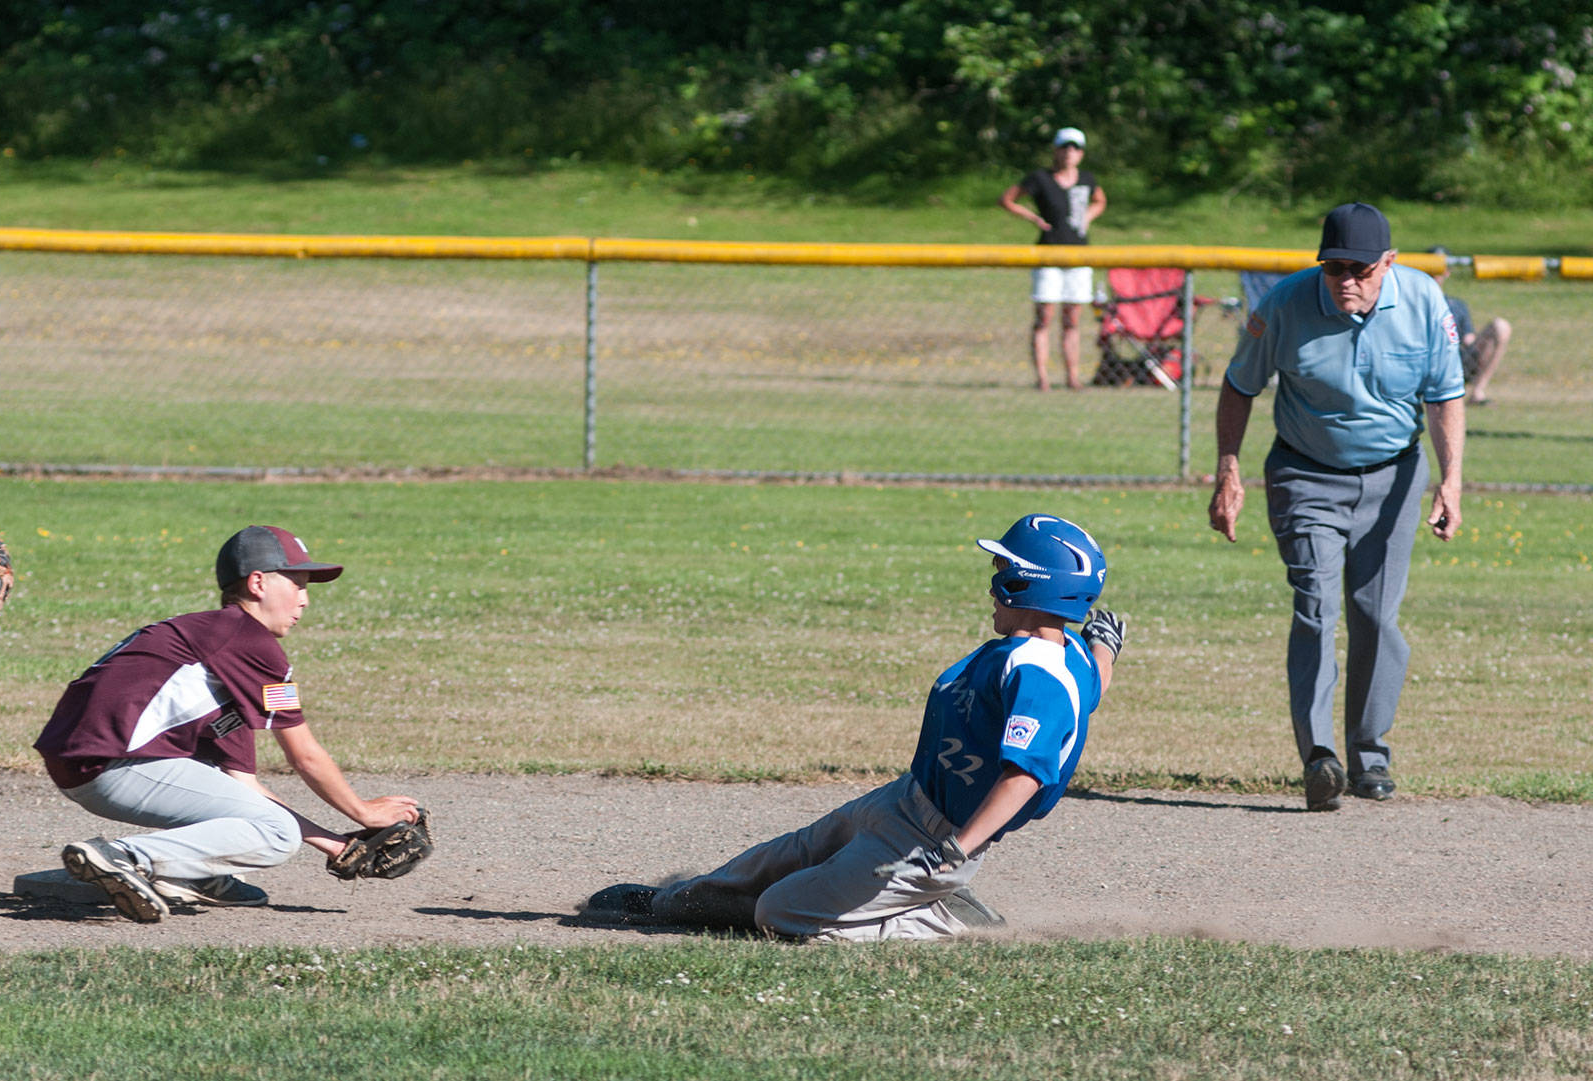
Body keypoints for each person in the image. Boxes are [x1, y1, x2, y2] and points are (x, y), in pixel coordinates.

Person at [587, 514, 1122, 943]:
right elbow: (1093, 683)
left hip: (936, 841)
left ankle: (950, 920)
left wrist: (955, 851)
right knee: (775, 862)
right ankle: (669, 904)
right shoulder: (1065, 654)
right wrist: (1106, 644)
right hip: (905, 800)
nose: (992, 584)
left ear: (1026, 584)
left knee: (782, 912)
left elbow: (1025, 775)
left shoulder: (1040, 673)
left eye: (1003, 570)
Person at [1209, 203, 1465, 812]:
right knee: (1316, 607)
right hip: (1304, 473)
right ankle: (1319, 757)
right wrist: (1228, 470)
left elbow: (1446, 396)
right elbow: (1239, 386)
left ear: (1389, 263)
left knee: (1375, 616)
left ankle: (1369, 756)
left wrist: (1451, 480)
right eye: (1333, 268)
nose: (1345, 279)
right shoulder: (1284, 304)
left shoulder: (1426, 301)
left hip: (1394, 477)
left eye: (1359, 268)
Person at [34, 525, 423, 924]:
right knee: (277, 835)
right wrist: (363, 813)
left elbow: (244, 785)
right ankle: (126, 858)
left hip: (93, 764)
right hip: (113, 766)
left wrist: (336, 844)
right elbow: (304, 756)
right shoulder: (247, 641)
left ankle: (172, 874)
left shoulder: (219, 646)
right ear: (258, 583)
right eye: (296, 584)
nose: (304, 600)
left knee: (261, 821)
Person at [1000, 127, 1108, 391]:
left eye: (1075, 148)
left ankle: (1072, 376)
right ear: (1055, 150)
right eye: (1065, 147)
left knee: (1072, 319)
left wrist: (1089, 216)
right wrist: (1033, 218)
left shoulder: (1086, 179)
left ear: (1081, 153)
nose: (1070, 153)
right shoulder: (1040, 178)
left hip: (1078, 254)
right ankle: (1043, 378)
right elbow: (1007, 199)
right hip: (1048, 254)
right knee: (1044, 318)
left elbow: (1100, 200)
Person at [1428, 251, 1511, 406]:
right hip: (1425, 360)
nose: (1434, 274)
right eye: (1430, 268)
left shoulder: (1456, 305)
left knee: (1501, 326)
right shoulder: (1414, 303)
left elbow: (1468, 339)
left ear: (1447, 272)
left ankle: (1477, 392)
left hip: (1457, 359)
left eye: (1438, 268)